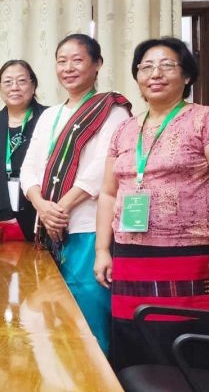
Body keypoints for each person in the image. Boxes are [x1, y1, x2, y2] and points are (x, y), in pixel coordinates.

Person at [94, 37, 209, 370]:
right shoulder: (125, 129)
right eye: (146, 67)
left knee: (185, 344)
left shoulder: (201, 119)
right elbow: (108, 193)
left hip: (190, 254)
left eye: (167, 65)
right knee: (134, 340)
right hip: (131, 254)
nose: (155, 73)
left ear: (187, 76)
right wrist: (103, 250)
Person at [20, 33, 131, 354]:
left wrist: (61, 207)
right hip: (48, 229)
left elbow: (101, 169)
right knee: (49, 322)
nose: (68, 67)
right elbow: (29, 169)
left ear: (97, 65)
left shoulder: (112, 112)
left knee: (88, 317)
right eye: (61, 61)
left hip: (88, 229)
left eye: (78, 60)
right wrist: (42, 205)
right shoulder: (49, 115)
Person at [0, 60, 47, 241]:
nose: (14, 87)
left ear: (33, 85)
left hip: (40, 213)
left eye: (22, 81)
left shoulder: (48, 118)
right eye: (7, 82)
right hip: (0, 218)